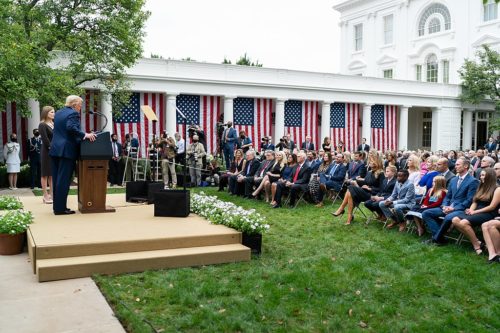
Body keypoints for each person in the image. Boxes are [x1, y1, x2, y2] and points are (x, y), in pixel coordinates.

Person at [50, 95, 96, 215]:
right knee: (63, 180)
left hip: (55, 149)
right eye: (80, 105)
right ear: (74, 104)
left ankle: (57, 207)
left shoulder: (59, 113)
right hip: (66, 150)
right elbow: (71, 128)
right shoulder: (73, 113)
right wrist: (85, 135)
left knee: (56, 179)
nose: (80, 108)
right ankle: (60, 209)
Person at [422, 157, 479, 245]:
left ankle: (436, 239)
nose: (455, 166)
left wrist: (453, 208)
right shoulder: (453, 180)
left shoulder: (473, 181)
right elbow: (448, 197)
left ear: (466, 166)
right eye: (455, 164)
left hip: (461, 209)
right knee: (426, 213)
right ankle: (440, 238)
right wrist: (444, 206)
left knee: (449, 217)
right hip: (448, 207)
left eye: (458, 164)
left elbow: (469, 200)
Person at [451, 168, 500, 255]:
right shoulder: (481, 186)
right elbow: (475, 201)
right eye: (481, 175)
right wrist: (471, 210)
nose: (481, 177)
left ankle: (476, 246)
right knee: (455, 220)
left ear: (490, 176)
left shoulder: (497, 189)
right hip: (477, 211)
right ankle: (478, 242)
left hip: (488, 212)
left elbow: (492, 207)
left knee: (463, 223)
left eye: (483, 175)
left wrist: (475, 212)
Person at [332, 157, 385, 225]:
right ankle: (349, 218)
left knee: (350, 188)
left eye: (373, 161)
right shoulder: (369, 172)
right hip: (365, 192)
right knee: (350, 191)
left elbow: (382, 189)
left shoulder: (381, 174)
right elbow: (366, 182)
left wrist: (370, 189)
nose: (371, 162)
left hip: (373, 195)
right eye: (370, 161)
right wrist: (360, 184)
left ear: (378, 163)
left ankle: (341, 209)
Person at [38, 106, 55, 203]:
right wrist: (52, 149)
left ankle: (52, 194)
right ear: (46, 113)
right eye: (52, 112)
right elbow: (45, 140)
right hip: (47, 151)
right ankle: (45, 196)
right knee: (45, 174)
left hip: (54, 151)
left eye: (54, 112)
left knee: (52, 174)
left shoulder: (53, 124)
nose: (54, 114)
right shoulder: (42, 124)